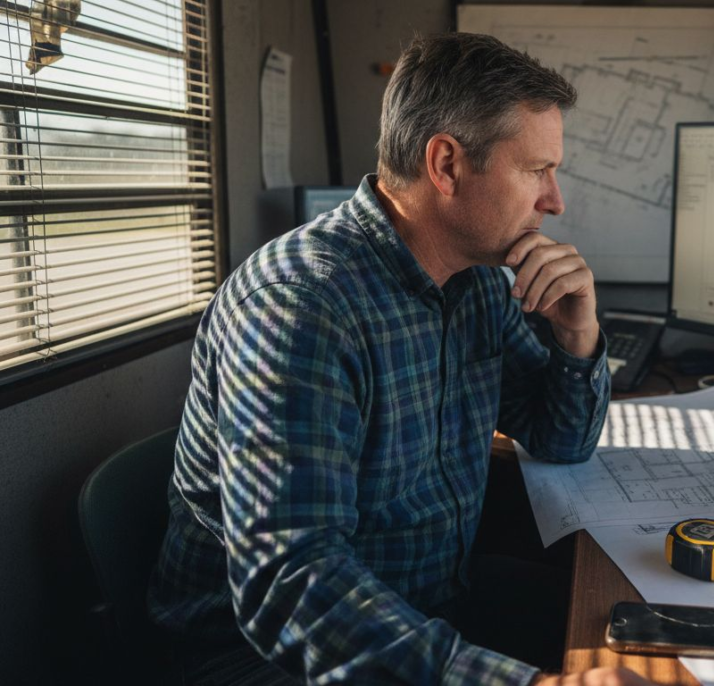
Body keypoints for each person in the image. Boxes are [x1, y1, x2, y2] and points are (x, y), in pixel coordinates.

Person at [148, 32, 651, 686]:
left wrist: (577, 334)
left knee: (640, 631)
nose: (555, 202)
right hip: (267, 656)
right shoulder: (300, 307)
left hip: (432, 605)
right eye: (536, 171)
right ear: (445, 164)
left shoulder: (475, 285)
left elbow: (560, 441)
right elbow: (294, 582)